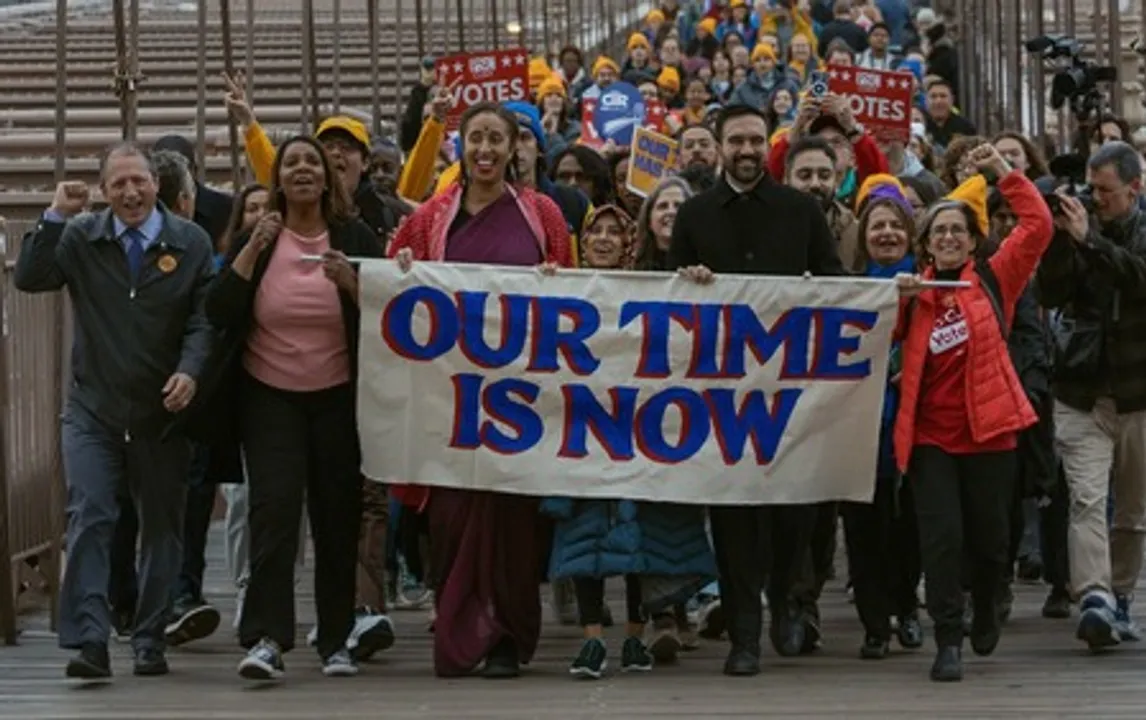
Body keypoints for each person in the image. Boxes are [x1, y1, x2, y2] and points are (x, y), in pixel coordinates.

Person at [387, 103, 574, 679]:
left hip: (519, 401)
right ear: (460, 149)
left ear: (516, 147)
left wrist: (554, 283)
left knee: (515, 524)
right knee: (451, 519)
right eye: (476, 139)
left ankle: (507, 640)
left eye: (498, 139)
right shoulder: (431, 217)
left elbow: (574, 293)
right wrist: (402, 268)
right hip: (452, 403)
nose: (487, 150)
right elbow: (395, 280)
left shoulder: (543, 213)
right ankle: (462, 627)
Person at [14, 142, 214, 679]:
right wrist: (55, 215)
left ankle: (150, 637)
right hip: (93, 408)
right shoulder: (82, 235)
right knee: (91, 514)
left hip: (162, 410)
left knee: (161, 528)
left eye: (139, 181)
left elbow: (203, 319)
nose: (130, 192)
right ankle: (89, 640)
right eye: (118, 183)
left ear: (156, 184)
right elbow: (30, 276)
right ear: (103, 191)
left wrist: (191, 370)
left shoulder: (189, 242)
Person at [667, 104, 843, 676]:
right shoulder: (693, 215)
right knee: (735, 521)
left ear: (766, 145)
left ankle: (790, 597)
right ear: (719, 146)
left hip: (789, 394)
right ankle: (745, 637)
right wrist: (688, 283)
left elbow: (837, 285)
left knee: (795, 516)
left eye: (753, 141)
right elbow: (669, 297)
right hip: (722, 397)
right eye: (735, 141)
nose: (745, 150)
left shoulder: (801, 211)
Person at [204, 135, 384, 681]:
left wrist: (352, 283)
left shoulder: (354, 236)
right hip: (269, 395)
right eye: (292, 163)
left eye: (313, 162)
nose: (303, 169)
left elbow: (390, 313)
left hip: (338, 396)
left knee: (337, 515)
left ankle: (335, 640)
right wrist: (254, 246)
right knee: (274, 513)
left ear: (329, 178)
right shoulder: (261, 235)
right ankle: (266, 638)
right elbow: (219, 309)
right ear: (277, 179)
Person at [896, 143, 1054, 681]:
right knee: (941, 541)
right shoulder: (911, 293)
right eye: (937, 232)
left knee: (991, 542)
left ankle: (987, 604)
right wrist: (896, 301)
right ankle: (947, 638)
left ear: (973, 238)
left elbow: (1038, 226)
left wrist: (1004, 173)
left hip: (991, 435)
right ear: (925, 243)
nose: (947, 238)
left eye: (957, 231)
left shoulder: (995, 278)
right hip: (930, 440)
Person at [1034, 141, 1146, 651]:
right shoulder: (1079, 229)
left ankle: (1121, 594)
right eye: (1091, 189)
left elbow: (1138, 278)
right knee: (1086, 500)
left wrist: (1092, 243)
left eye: (1106, 191)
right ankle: (1096, 597)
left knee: (1132, 512)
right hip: (1082, 393)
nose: (1095, 200)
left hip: (1138, 393)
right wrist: (1061, 241)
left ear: (1134, 188)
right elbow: (1052, 294)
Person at [840, 180, 923, 659]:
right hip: (858, 426)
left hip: (915, 426)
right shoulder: (846, 287)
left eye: (896, 225)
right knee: (863, 529)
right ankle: (874, 623)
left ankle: (906, 606)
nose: (887, 233)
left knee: (909, 526)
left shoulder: (933, 281)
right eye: (878, 226)